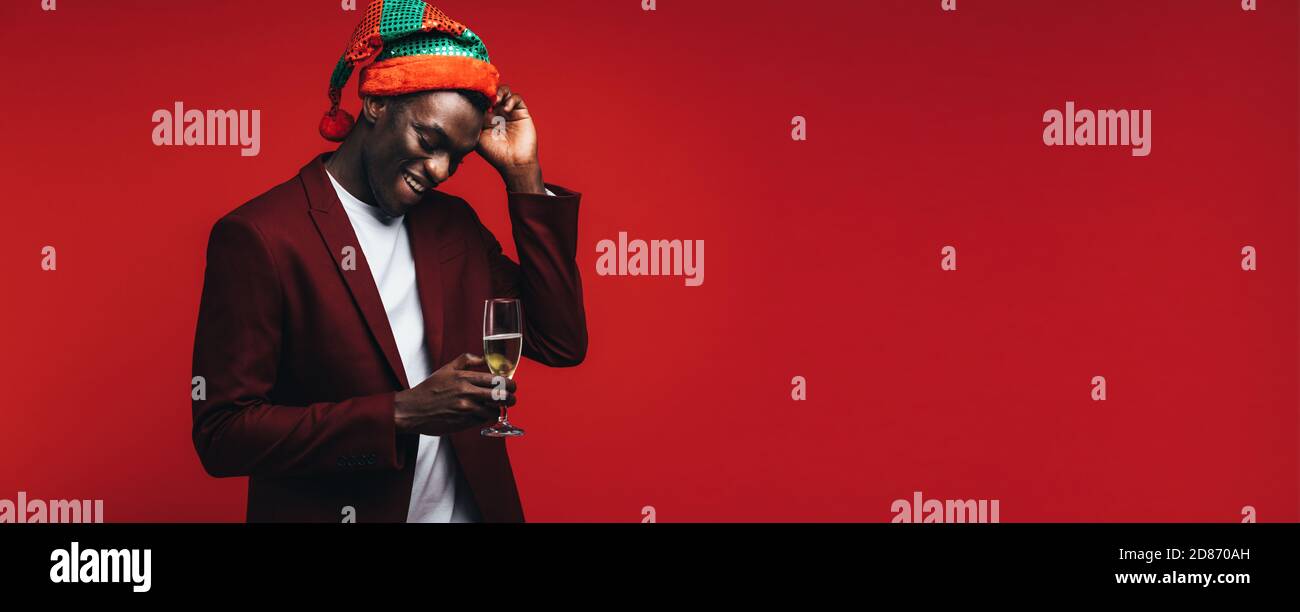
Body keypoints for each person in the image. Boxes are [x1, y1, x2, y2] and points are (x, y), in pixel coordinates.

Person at [190, 0, 587, 522]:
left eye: (458, 158)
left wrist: (523, 177)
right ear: (377, 102)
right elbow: (223, 437)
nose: (441, 169)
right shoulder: (261, 237)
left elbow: (558, 341)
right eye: (429, 141)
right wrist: (401, 413)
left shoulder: (454, 226)